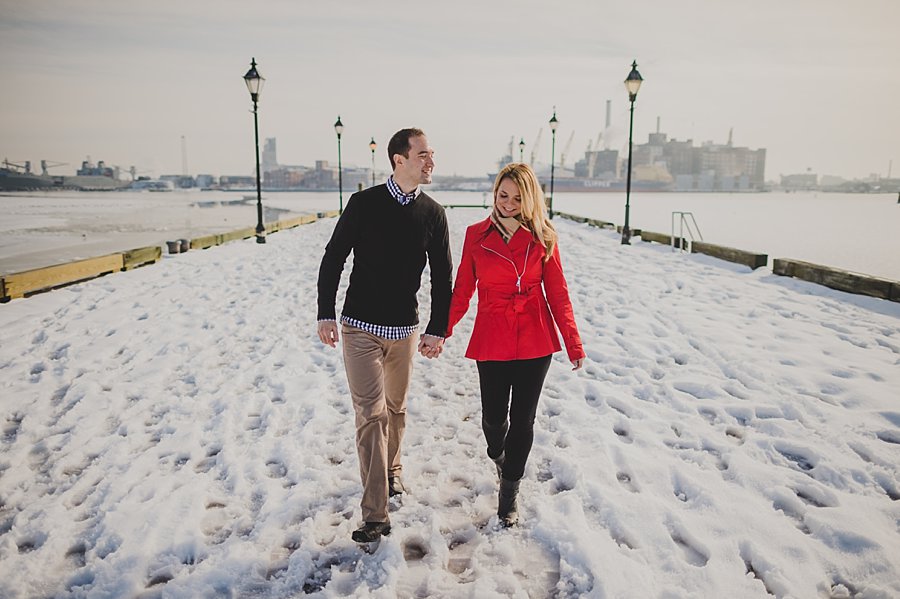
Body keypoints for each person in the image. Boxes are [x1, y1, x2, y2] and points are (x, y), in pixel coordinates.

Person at [316, 128, 452, 543]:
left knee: (395, 408)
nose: (431, 162)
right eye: (423, 155)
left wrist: (437, 329)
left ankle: (392, 471)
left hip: (404, 331)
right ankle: (375, 513)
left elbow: (444, 276)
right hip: (359, 328)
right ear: (399, 160)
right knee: (370, 415)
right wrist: (325, 312)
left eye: (432, 154)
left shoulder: (433, 213)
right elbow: (333, 258)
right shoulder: (363, 204)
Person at [446, 162, 585, 527]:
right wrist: (440, 330)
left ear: (529, 199)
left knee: (523, 420)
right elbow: (462, 291)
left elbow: (558, 294)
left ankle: (509, 495)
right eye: (502, 195)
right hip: (492, 333)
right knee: (494, 420)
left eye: (516, 197)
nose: (507, 203)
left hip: (535, 338)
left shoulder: (544, 237)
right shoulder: (476, 235)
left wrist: (573, 343)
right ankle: (499, 455)